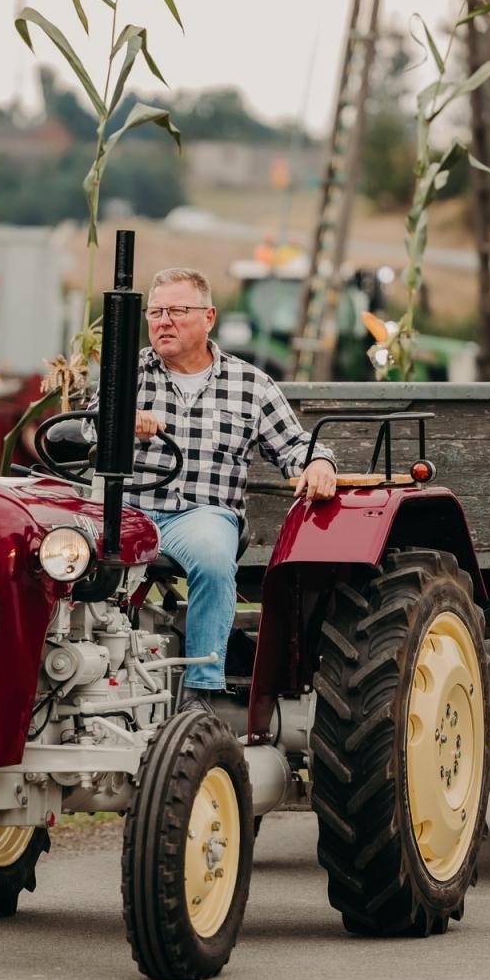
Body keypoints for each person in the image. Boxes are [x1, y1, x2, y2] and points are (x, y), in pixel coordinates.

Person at [114, 267, 337, 712]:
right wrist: (119, 425)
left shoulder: (250, 385)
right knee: (68, 556)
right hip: (130, 511)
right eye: (156, 312)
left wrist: (318, 463)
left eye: (178, 310)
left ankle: (201, 692)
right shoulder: (126, 375)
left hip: (201, 515)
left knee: (214, 559)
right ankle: (84, 677)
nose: (163, 322)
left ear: (209, 317)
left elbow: (296, 446)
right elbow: (81, 433)